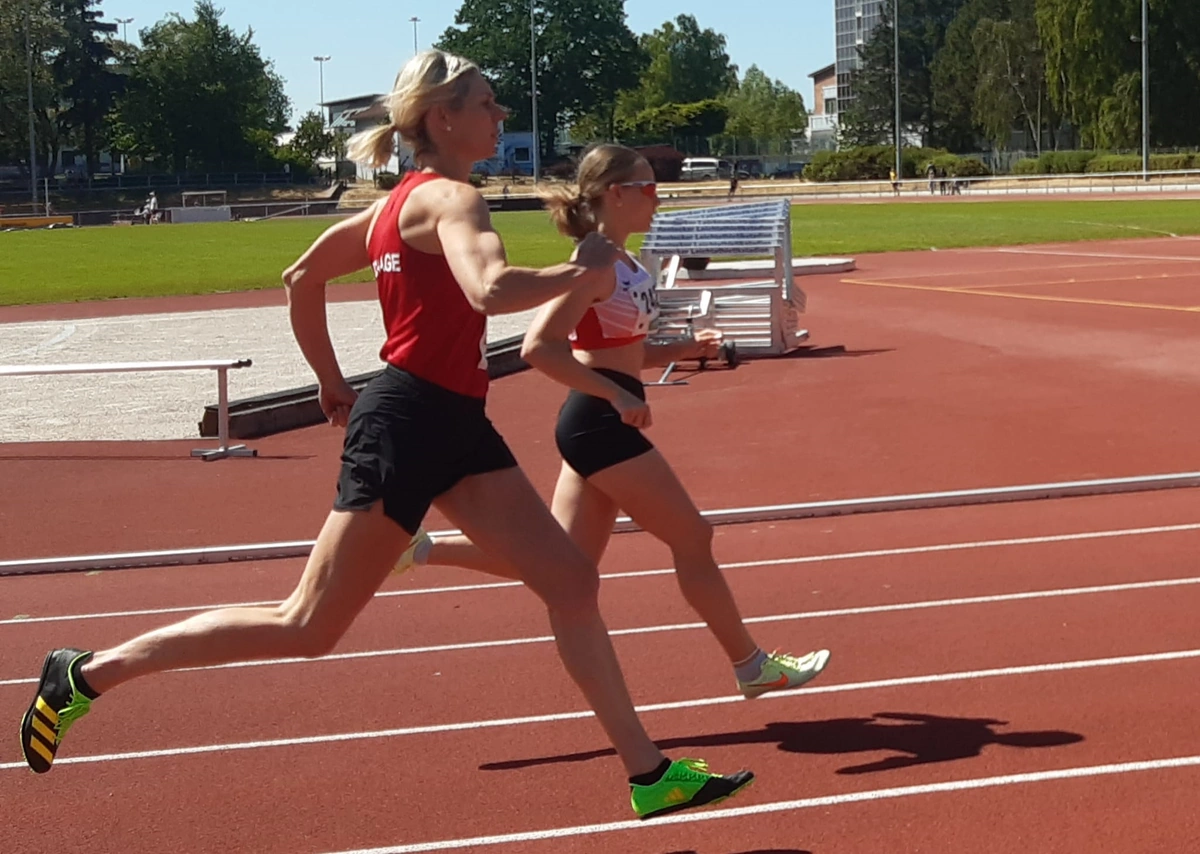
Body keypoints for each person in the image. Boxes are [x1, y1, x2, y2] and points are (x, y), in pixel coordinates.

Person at [19, 50, 753, 821]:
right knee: (306, 626)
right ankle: (89, 673)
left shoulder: (391, 207)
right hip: (407, 424)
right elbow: (491, 291)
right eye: (489, 105)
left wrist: (331, 381)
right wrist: (582, 271)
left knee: (571, 581)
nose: (502, 118)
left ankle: (649, 774)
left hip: (452, 421)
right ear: (444, 118)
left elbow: (302, 279)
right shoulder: (453, 202)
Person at [394, 143, 831, 702]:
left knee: (561, 563)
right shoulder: (592, 265)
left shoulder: (623, 261)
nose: (657, 197)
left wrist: (687, 348)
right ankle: (751, 666)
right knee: (694, 535)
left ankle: (421, 550)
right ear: (616, 194)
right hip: (597, 421)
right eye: (648, 187)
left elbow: (621, 350)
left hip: (601, 415)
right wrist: (616, 398)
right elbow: (540, 348)